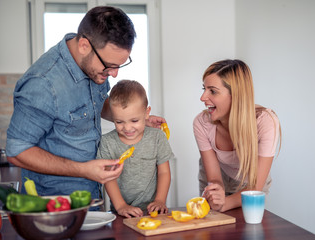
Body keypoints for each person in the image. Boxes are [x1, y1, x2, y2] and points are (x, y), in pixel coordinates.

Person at [6, 6, 165, 201]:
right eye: (110, 66)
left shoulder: (93, 65)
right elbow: (16, 151)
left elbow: (96, 105)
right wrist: (83, 170)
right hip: (54, 203)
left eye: (119, 65)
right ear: (83, 46)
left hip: (92, 197)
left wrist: (133, 121)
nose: (114, 74)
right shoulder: (43, 83)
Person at [193, 59, 281, 212]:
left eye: (212, 91)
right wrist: (216, 195)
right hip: (218, 174)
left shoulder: (265, 122)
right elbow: (214, 178)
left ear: (236, 95)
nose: (203, 97)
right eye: (204, 89)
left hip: (251, 184)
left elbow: (255, 186)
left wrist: (224, 204)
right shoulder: (201, 123)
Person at [97, 80, 173, 218]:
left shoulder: (157, 137)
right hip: (121, 213)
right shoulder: (107, 142)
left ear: (146, 113)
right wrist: (121, 206)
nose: (127, 128)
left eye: (134, 121)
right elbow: (109, 178)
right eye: (119, 122)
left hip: (152, 211)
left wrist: (160, 200)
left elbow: (164, 172)